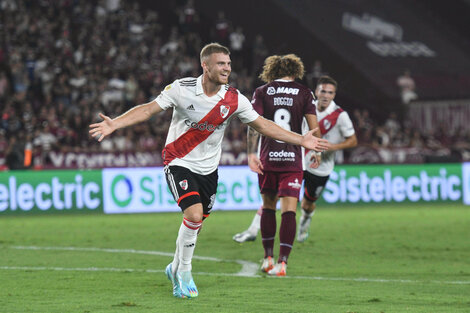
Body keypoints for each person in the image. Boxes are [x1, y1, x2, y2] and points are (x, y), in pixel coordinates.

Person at [89, 43, 330, 299]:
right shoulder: (181, 89)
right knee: (193, 215)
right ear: (205, 66)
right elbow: (148, 109)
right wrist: (115, 123)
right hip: (178, 161)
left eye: (228, 63)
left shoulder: (234, 98)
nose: (227, 68)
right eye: (221, 64)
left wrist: (300, 139)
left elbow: (263, 125)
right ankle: (184, 271)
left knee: (196, 223)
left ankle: (173, 266)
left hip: (209, 170)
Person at [233, 75, 357, 245]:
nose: (325, 95)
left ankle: (305, 222)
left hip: (321, 167)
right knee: (273, 197)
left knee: (307, 204)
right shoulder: (303, 103)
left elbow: (353, 140)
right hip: (297, 160)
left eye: (330, 92)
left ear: (334, 95)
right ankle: (253, 230)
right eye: (323, 91)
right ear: (316, 91)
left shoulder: (339, 115)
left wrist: (329, 148)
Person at [235, 54, 323, 277]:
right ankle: (282, 263)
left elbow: (253, 124)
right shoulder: (304, 92)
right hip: (293, 160)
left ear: (271, 71)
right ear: (295, 71)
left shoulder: (262, 92)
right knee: (289, 211)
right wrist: (316, 150)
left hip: (267, 158)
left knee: (268, 207)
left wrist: (250, 154)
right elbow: (313, 128)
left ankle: (267, 258)